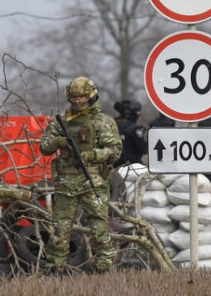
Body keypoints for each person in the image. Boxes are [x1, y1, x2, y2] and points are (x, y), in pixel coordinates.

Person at [39, 77, 122, 273]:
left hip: (93, 180)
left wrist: (92, 155)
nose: (78, 101)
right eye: (74, 97)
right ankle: (55, 269)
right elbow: (44, 147)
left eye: (82, 96)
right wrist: (60, 141)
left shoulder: (103, 121)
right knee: (60, 229)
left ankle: (104, 268)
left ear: (91, 96)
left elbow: (115, 151)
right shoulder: (61, 121)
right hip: (67, 182)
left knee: (99, 228)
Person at [113, 99, 147, 166]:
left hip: (113, 166)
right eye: (137, 112)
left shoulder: (110, 125)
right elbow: (142, 149)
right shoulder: (136, 129)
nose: (138, 114)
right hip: (132, 166)